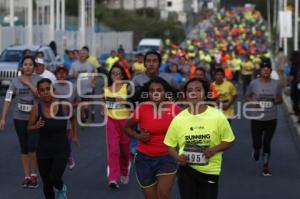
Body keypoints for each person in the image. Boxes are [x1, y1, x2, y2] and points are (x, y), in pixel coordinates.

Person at [164, 78, 235, 199]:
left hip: (210, 171)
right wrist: (178, 157)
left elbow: (229, 141)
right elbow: (169, 145)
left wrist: (214, 149)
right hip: (186, 170)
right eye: (190, 90)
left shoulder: (217, 116)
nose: (193, 93)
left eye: (198, 90)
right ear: (185, 95)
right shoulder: (178, 119)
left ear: (205, 94)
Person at [124, 76, 181, 199]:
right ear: (148, 93)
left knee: (163, 194)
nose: (155, 93)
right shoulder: (142, 108)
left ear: (165, 92)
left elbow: (186, 130)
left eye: (159, 90)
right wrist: (138, 136)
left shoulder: (174, 109)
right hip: (144, 159)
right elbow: (126, 127)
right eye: (152, 90)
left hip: (167, 157)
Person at [27, 78, 78, 199]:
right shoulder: (36, 109)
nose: (45, 92)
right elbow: (28, 128)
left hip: (61, 149)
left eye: (48, 89)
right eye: (42, 90)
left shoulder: (64, 106)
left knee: (54, 178)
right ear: (38, 94)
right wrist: (35, 126)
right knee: (47, 183)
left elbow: (73, 119)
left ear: (53, 90)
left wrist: (75, 136)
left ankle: (61, 188)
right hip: (43, 150)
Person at [0, 55, 42, 188]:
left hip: (34, 118)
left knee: (32, 146)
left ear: (34, 67)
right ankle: (27, 176)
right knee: (24, 147)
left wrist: (28, 83)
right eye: (25, 64)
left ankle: (34, 175)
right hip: (19, 117)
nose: (28, 67)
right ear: (21, 67)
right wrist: (3, 117)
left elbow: (40, 95)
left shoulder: (39, 80)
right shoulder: (15, 81)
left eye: (30, 64)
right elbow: (8, 99)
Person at [245, 59, 282, 176]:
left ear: (270, 70)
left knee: (267, 142)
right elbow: (247, 96)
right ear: (260, 71)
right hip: (257, 118)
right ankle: (256, 149)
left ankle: (265, 166)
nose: (265, 70)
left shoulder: (276, 84)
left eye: (268, 69)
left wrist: (277, 100)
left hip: (271, 118)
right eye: (263, 69)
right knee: (257, 143)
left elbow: (280, 99)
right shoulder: (254, 83)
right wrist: (252, 102)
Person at [100, 63, 131, 189]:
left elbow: (131, 102)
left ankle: (124, 170)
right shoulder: (106, 88)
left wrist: (124, 101)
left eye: (118, 73)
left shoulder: (127, 87)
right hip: (111, 121)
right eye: (113, 73)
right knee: (113, 150)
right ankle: (113, 178)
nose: (116, 75)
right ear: (110, 75)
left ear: (123, 75)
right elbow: (103, 102)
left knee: (124, 150)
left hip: (125, 122)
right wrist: (103, 109)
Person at [53, 66, 80, 170]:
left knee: (66, 142)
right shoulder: (52, 87)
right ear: (56, 75)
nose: (61, 75)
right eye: (59, 73)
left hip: (67, 119)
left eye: (64, 73)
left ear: (67, 74)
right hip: (54, 117)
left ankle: (68, 156)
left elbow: (78, 102)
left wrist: (69, 105)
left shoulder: (73, 87)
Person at [69, 48, 97, 123]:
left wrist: (94, 81)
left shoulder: (90, 65)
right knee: (80, 104)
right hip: (78, 88)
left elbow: (96, 73)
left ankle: (86, 113)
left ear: (87, 55)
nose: (81, 55)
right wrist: (73, 75)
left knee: (86, 105)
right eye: (80, 53)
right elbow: (69, 75)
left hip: (88, 88)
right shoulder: (74, 64)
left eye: (83, 54)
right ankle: (83, 115)